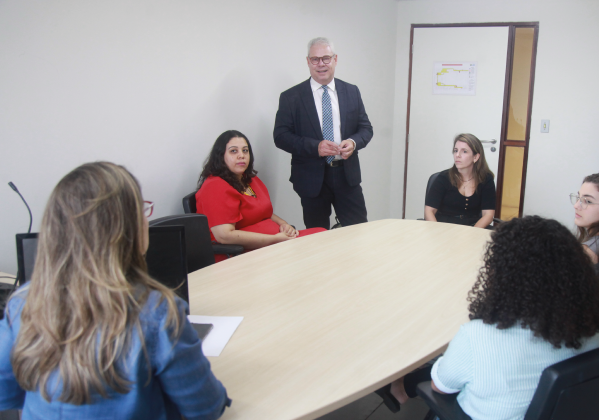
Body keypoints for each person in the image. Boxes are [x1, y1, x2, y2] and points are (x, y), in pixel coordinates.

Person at [0, 162, 230, 419]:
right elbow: (206, 408)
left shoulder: (21, 303)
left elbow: (7, 396)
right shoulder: (156, 312)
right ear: (125, 230)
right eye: (142, 210)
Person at [383, 216, 599, 419]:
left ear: (502, 272)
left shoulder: (478, 335)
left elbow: (440, 386)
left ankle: (397, 384)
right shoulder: (590, 332)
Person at [273, 37, 373, 230]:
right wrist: (315, 147)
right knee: (317, 237)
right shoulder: (291, 97)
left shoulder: (351, 91)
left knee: (359, 231)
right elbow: (281, 136)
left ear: (335, 59)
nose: (321, 64)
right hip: (311, 178)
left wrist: (353, 142)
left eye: (326, 58)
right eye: (315, 59)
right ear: (308, 62)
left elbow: (366, 128)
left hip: (347, 175)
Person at [196, 130, 325, 262]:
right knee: (319, 248)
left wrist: (284, 224)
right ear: (220, 156)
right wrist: (275, 240)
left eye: (245, 151)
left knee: (322, 235)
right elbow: (225, 236)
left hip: (274, 243)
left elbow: (264, 212)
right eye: (233, 151)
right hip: (244, 254)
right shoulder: (215, 186)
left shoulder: (248, 179)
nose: (241, 156)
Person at [424, 133, 496, 228]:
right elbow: (429, 211)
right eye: (455, 150)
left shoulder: (486, 179)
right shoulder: (443, 178)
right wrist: (437, 231)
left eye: (464, 151)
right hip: (444, 227)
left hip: (474, 227)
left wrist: (473, 233)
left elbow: (488, 215)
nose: (457, 155)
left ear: (476, 157)